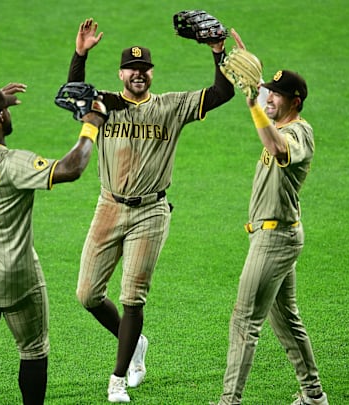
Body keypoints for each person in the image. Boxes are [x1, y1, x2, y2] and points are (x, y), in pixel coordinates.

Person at [67, 18, 235, 403]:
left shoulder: (171, 106)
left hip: (151, 213)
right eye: (131, 68)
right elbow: (73, 92)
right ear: (121, 73)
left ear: (151, 73)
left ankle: (119, 377)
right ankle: (135, 343)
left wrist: (217, 53)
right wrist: (80, 55)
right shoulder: (105, 104)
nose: (138, 74)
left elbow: (221, 92)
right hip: (108, 207)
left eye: (144, 69)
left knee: (132, 298)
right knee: (87, 295)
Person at [0, 82, 106, 405]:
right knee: (33, 351)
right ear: (2, 116)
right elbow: (71, 169)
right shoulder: (12, 163)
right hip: (16, 278)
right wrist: (91, 125)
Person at [215, 30, 328, 405]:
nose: (270, 98)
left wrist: (252, 104)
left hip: (275, 239)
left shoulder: (298, 132)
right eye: (269, 93)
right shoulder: (276, 116)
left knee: (244, 320)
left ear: (295, 101)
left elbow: (277, 148)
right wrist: (247, 64)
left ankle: (229, 401)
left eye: (277, 95)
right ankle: (314, 396)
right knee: (286, 322)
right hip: (274, 234)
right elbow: (260, 96)